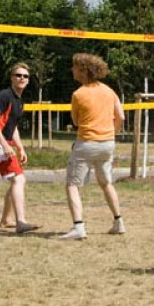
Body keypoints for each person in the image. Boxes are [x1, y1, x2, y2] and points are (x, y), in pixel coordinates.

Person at [59, 53, 127, 240]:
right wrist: (111, 133)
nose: (72, 70)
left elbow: (75, 121)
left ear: (83, 70)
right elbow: (120, 116)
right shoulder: (109, 90)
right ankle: (118, 222)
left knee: (72, 185)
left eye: (74, 67)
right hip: (107, 144)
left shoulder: (78, 94)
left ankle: (78, 226)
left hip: (87, 143)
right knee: (106, 183)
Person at [0, 62, 40, 234]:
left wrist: (20, 148)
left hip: (4, 143)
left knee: (16, 179)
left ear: (28, 80)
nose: (22, 78)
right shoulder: (4, 96)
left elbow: (12, 126)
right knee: (18, 180)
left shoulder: (19, 101)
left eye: (25, 76)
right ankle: (20, 222)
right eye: (18, 75)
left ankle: (6, 219)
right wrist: (3, 145)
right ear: (11, 78)